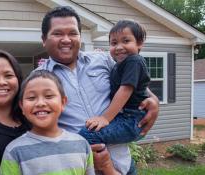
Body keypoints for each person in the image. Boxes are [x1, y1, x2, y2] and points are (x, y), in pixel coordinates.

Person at [37, 6, 159, 175]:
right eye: (58, 34)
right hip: (82, 167)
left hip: (123, 162)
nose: (66, 39)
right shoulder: (38, 80)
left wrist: (154, 100)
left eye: (73, 33)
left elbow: (131, 84)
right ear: (44, 39)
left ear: (80, 37)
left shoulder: (102, 59)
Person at [0, 70, 95, 175]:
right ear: (22, 106)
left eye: (49, 96)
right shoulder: (14, 151)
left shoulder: (82, 144)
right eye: (31, 98)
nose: (40, 103)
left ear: (63, 102)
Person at [78, 20, 150, 145]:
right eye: (114, 43)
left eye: (126, 41)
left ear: (139, 43)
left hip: (132, 119)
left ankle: (105, 164)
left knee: (87, 135)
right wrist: (99, 55)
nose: (119, 47)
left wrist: (105, 118)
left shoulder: (134, 61)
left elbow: (125, 90)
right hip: (125, 117)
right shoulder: (120, 64)